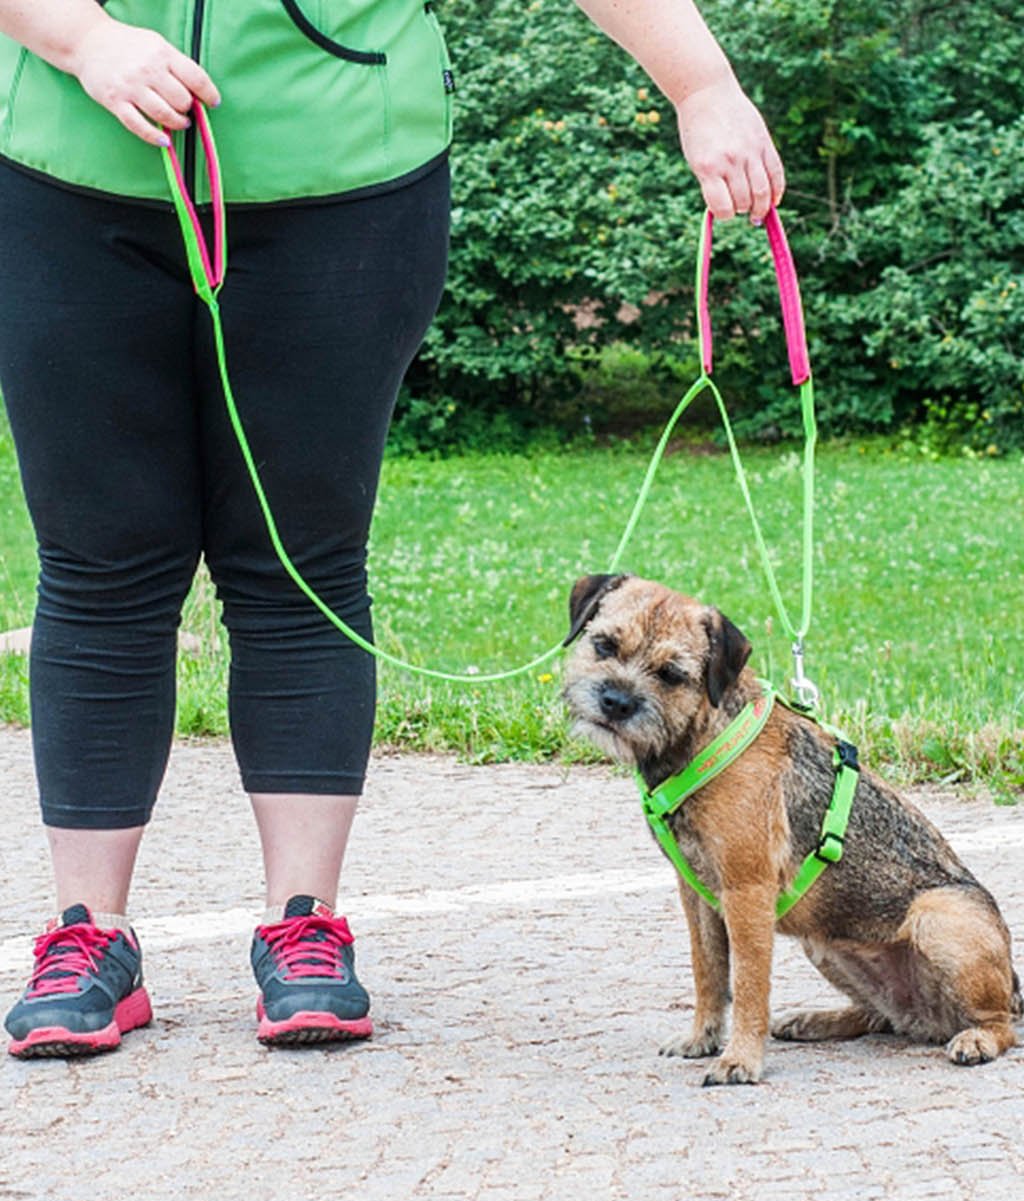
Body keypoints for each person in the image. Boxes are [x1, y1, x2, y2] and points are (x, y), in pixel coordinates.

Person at [0, 0, 784, 1058]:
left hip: (347, 187)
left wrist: (703, 87)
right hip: (64, 178)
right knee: (99, 568)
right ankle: (88, 939)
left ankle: (305, 928)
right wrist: (80, 38)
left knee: (301, 566)